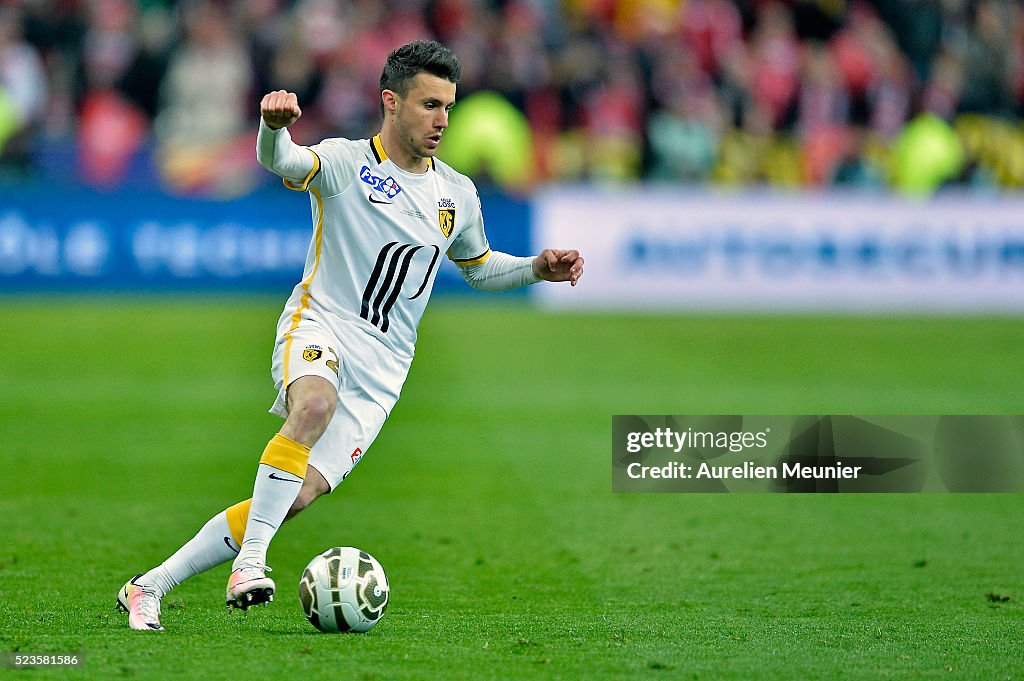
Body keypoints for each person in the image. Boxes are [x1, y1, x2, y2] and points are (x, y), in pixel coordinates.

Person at [117, 40, 583, 631]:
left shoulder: (457, 194)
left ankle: (148, 586)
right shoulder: (344, 163)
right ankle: (251, 564)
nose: (442, 120)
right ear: (391, 102)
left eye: (448, 106)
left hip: (383, 372)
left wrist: (536, 268)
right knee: (313, 403)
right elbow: (281, 162)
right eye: (428, 105)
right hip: (321, 323)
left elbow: (478, 266)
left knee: (295, 497)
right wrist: (270, 127)